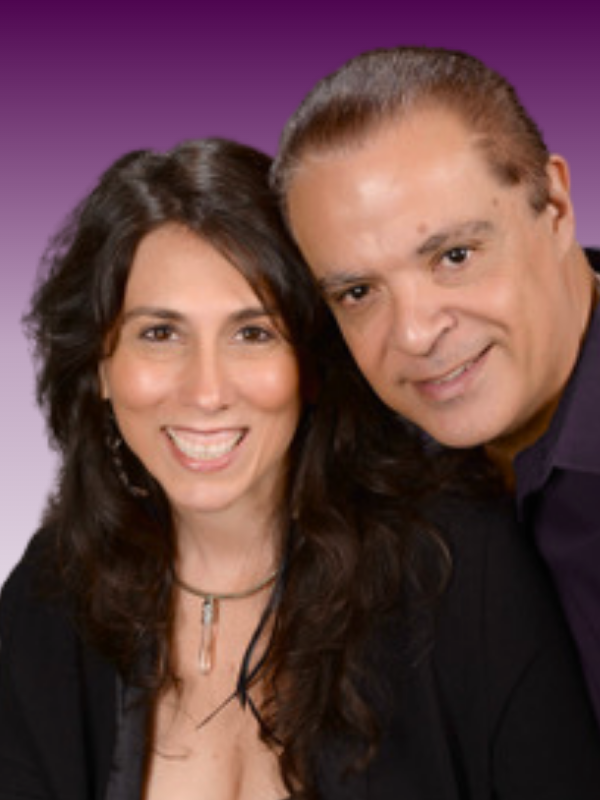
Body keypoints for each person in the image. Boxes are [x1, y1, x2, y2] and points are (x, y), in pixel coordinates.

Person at [1, 137, 600, 800]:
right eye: (160, 333)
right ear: (100, 368)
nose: (207, 391)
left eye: (253, 333)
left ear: (310, 367)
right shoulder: (51, 593)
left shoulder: (459, 568)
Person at [272, 44, 600, 726]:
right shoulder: (349, 465)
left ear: (555, 206)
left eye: (454, 256)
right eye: (359, 292)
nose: (416, 334)